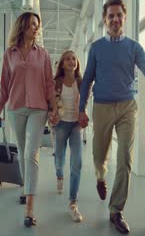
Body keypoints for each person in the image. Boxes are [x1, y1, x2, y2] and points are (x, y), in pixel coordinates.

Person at [79, 0, 145, 234]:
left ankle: (116, 210)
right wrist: (81, 109)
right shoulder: (96, 48)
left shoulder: (134, 47)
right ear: (105, 20)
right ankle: (99, 176)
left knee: (125, 157)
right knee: (99, 155)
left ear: (124, 19)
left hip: (127, 106)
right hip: (102, 106)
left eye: (119, 16)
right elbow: (87, 80)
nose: (115, 19)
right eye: (110, 16)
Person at [0, 12, 58, 227]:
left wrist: (54, 108)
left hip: (39, 109)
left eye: (37, 25)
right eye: (31, 25)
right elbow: (4, 86)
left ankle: (29, 207)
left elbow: (48, 84)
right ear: (22, 27)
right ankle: (26, 187)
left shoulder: (44, 54)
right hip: (16, 109)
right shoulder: (9, 54)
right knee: (21, 150)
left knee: (31, 153)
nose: (36, 29)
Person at [52, 50, 88, 222]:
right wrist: (52, 114)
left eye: (74, 58)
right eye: (67, 59)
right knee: (59, 157)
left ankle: (73, 203)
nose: (71, 61)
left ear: (77, 63)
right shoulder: (56, 82)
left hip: (75, 125)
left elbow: (86, 100)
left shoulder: (81, 82)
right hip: (60, 124)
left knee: (77, 162)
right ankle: (59, 175)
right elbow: (50, 101)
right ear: (62, 63)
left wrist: (84, 114)